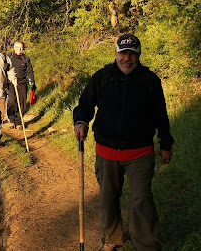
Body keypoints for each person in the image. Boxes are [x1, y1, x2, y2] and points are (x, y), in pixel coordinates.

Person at [73, 34, 174, 251]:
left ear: (138, 55)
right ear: (116, 53)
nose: (126, 58)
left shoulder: (150, 81)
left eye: (132, 53)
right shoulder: (102, 77)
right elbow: (85, 104)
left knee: (141, 201)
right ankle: (111, 239)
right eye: (123, 53)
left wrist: (165, 143)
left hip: (140, 152)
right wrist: (81, 121)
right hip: (107, 152)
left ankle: (146, 245)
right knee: (108, 198)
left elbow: (161, 115)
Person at [6, 41, 36, 130]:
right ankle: (11, 119)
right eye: (17, 47)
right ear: (14, 48)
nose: (19, 50)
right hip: (11, 82)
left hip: (22, 82)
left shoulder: (25, 58)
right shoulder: (9, 57)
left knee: (22, 103)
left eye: (21, 48)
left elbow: (30, 71)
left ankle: (19, 121)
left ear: (23, 49)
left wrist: (32, 82)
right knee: (12, 101)